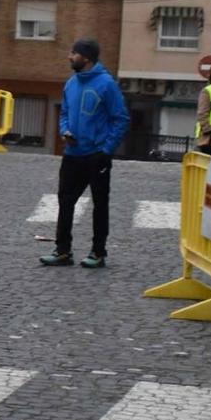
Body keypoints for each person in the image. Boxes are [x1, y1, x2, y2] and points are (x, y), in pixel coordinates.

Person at [39, 38, 129, 270]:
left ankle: (98, 252)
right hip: (73, 153)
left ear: (86, 57)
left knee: (100, 204)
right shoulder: (71, 83)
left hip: (96, 155)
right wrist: (64, 130)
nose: (69, 56)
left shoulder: (107, 84)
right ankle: (62, 250)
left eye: (74, 53)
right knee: (65, 201)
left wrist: (106, 149)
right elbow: (65, 113)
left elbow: (120, 119)